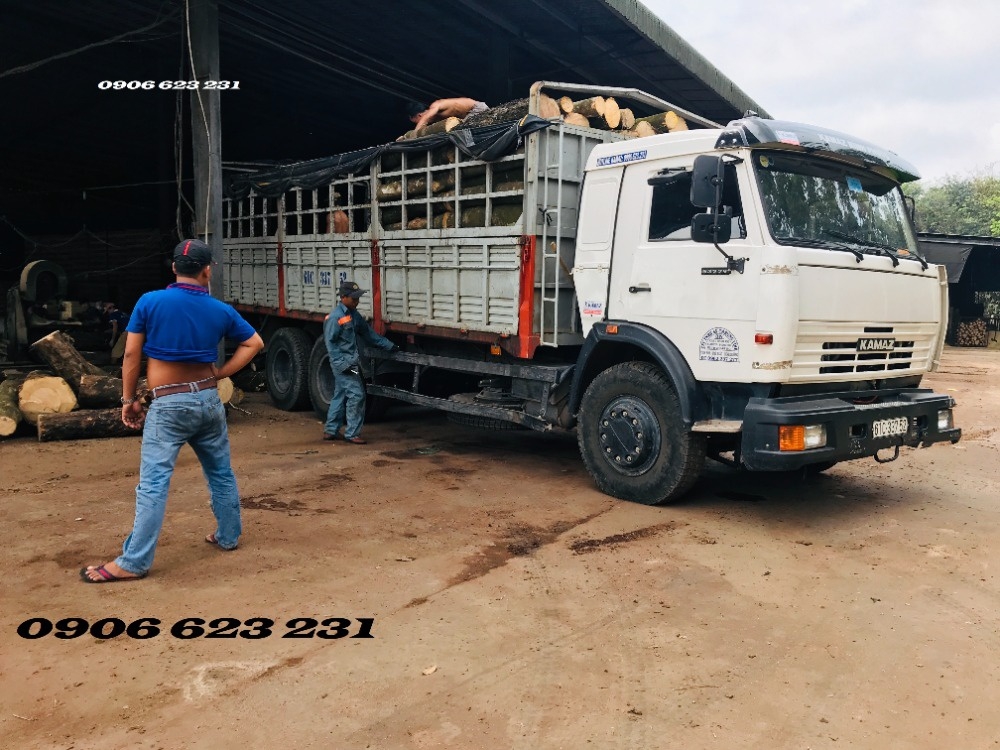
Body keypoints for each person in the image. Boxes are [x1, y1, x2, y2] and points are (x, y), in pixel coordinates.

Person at [80, 239, 264, 583]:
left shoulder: (150, 302)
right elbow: (254, 343)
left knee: (153, 484)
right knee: (220, 472)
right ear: (207, 271)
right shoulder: (219, 310)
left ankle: (133, 562)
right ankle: (228, 536)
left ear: (174, 269)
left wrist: (128, 400)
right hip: (209, 401)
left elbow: (132, 356)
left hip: (168, 403)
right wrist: (221, 374)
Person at [323, 280, 397, 444]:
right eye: (353, 298)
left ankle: (330, 430)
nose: (357, 301)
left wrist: (391, 346)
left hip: (349, 363)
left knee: (340, 394)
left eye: (358, 298)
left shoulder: (353, 315)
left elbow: (369, 335)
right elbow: (331, 344)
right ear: (343, 297)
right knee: (357, 395)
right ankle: (352, 434)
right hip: (345, 365)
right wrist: (342, 365)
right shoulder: (336, 317)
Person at [407, 97, 489, 131]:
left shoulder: (435, 106)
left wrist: (413, 134)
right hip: (468, 117)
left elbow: (426, 118)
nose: (419, 124)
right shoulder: (434, 121)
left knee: (461, 131)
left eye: (417, 122)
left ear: (419, 115)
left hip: (477, 109)